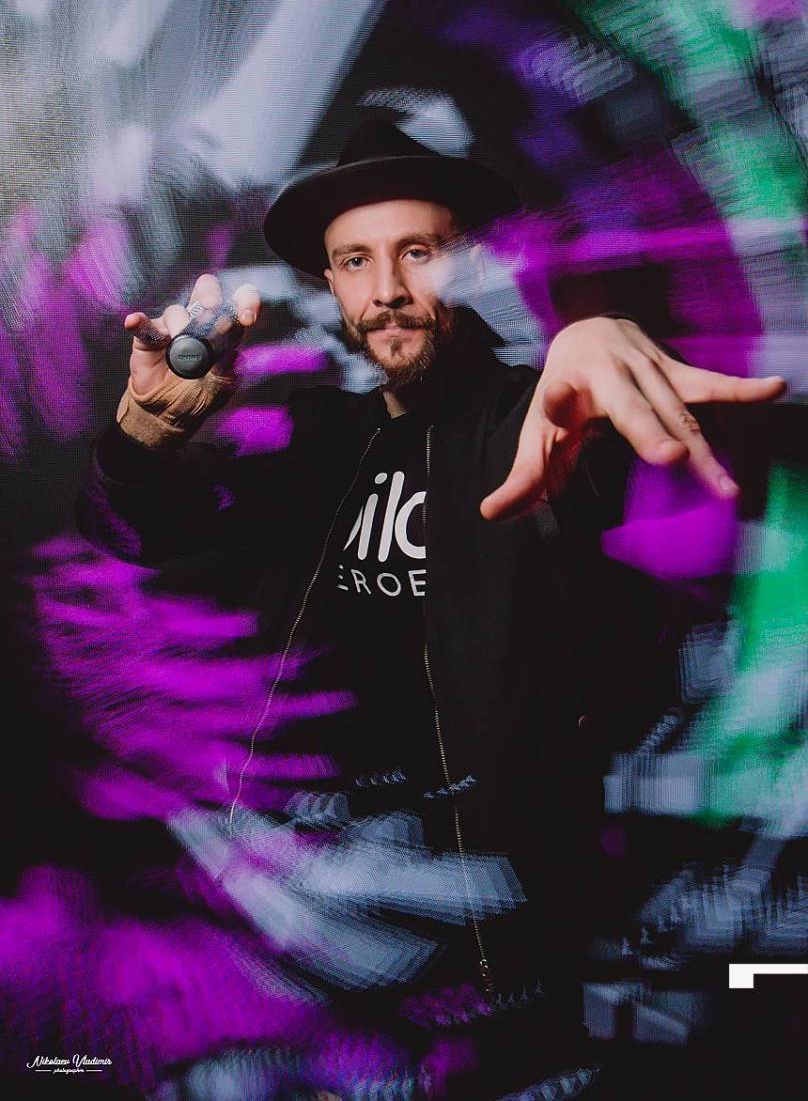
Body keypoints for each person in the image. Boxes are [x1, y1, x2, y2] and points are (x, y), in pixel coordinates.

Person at [77, 120, 785, 1098]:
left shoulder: (534, 421)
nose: (387, 291)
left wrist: (591, 345)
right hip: (301, 913)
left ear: (469, 262)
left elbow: (633, 474)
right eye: (354, 262)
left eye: (418, 252)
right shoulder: (316, 440)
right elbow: (132, 532)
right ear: (330, 285)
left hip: (489, 929)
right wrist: (141, 437)